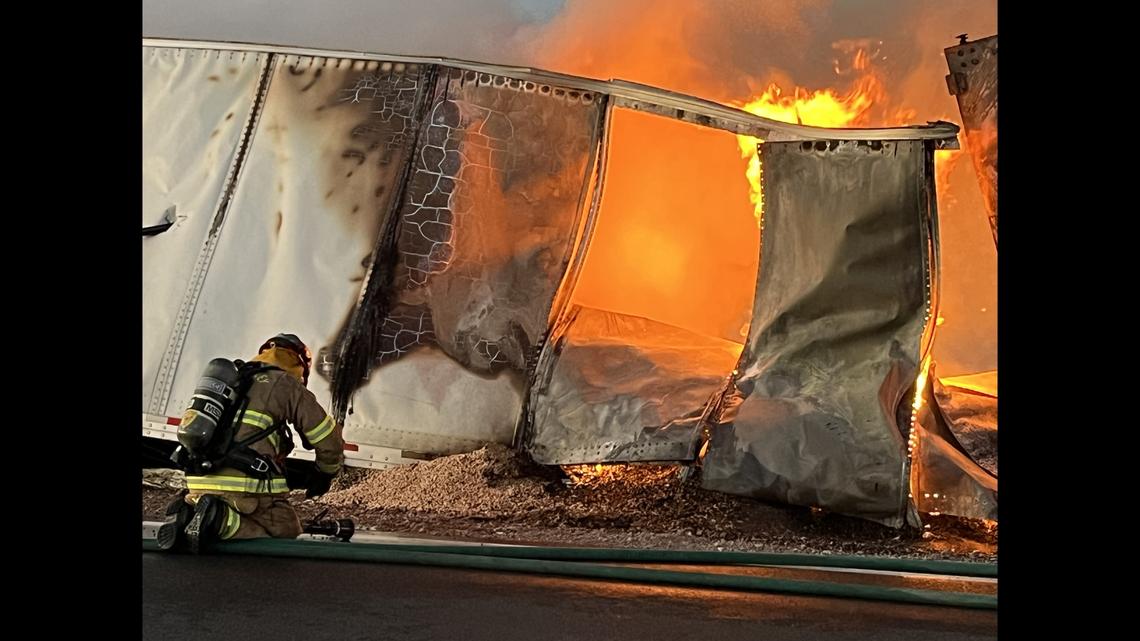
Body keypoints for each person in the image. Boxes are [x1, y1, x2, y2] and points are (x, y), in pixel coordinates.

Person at [157, 333, 344, 553]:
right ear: (298, 362)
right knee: (286, 529)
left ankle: (189, 511)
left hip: (198, 480)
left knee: (219, 502)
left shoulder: (234, 379)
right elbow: (329, 440)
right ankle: (222, 522)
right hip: (245, 490)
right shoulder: (284, 383)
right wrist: (325, 473)